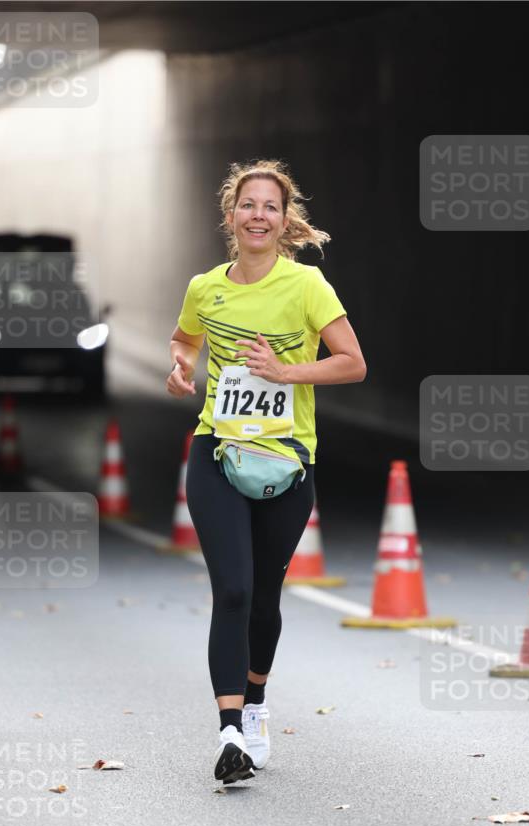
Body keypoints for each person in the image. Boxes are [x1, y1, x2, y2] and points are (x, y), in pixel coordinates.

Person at [166, 160, 366, 785]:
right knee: (232, 588)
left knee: (264, 600)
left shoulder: (307, 286)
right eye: (247, 204)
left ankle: (254, 703)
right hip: (217, 452)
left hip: (286, 461)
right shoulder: (205, 287)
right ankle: (229, 732)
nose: (258, 215)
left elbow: (353, 363)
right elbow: (184, 340)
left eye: (270, 206)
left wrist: (286, 372)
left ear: (285, 221)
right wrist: (178, 368)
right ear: (231, 216)